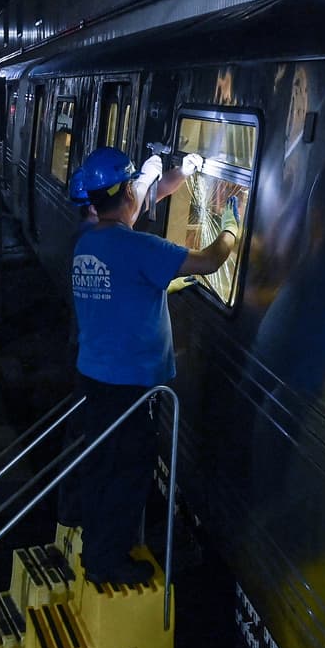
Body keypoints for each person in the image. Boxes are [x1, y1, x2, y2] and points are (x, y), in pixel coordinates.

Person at [70, 145, 240, 584]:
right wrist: (232, 229)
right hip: (131, 385)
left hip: (94, 376)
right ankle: (108, 563)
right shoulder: (139, 247)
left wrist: (180, 173)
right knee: (128, 468)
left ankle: (91, 539)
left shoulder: (88, 239)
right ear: (126, 193)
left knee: (100, 461)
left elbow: (147, 196)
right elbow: (209, 261)